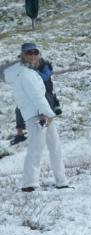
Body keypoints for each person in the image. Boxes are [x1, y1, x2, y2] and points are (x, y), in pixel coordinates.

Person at [4, 43, 68, 192]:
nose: (33, 55)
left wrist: (48, 113)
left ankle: (61, 181)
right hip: (37, 116)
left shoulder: (30, 71)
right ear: (22, 55)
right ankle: (29, 184)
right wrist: (49, 114)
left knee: (55, 147)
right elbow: (36, 97)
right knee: (36, 149)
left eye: (35, 52)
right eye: (29, 53)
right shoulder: (25, 73)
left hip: (43, 114)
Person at [11, 57, 62, 145]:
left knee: (44, 109)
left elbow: (45, 77)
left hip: (46, 93)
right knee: (18, 109)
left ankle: (43, 131)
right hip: (31, 94)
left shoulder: (45, 65)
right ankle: (20, 134)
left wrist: (34, 71)